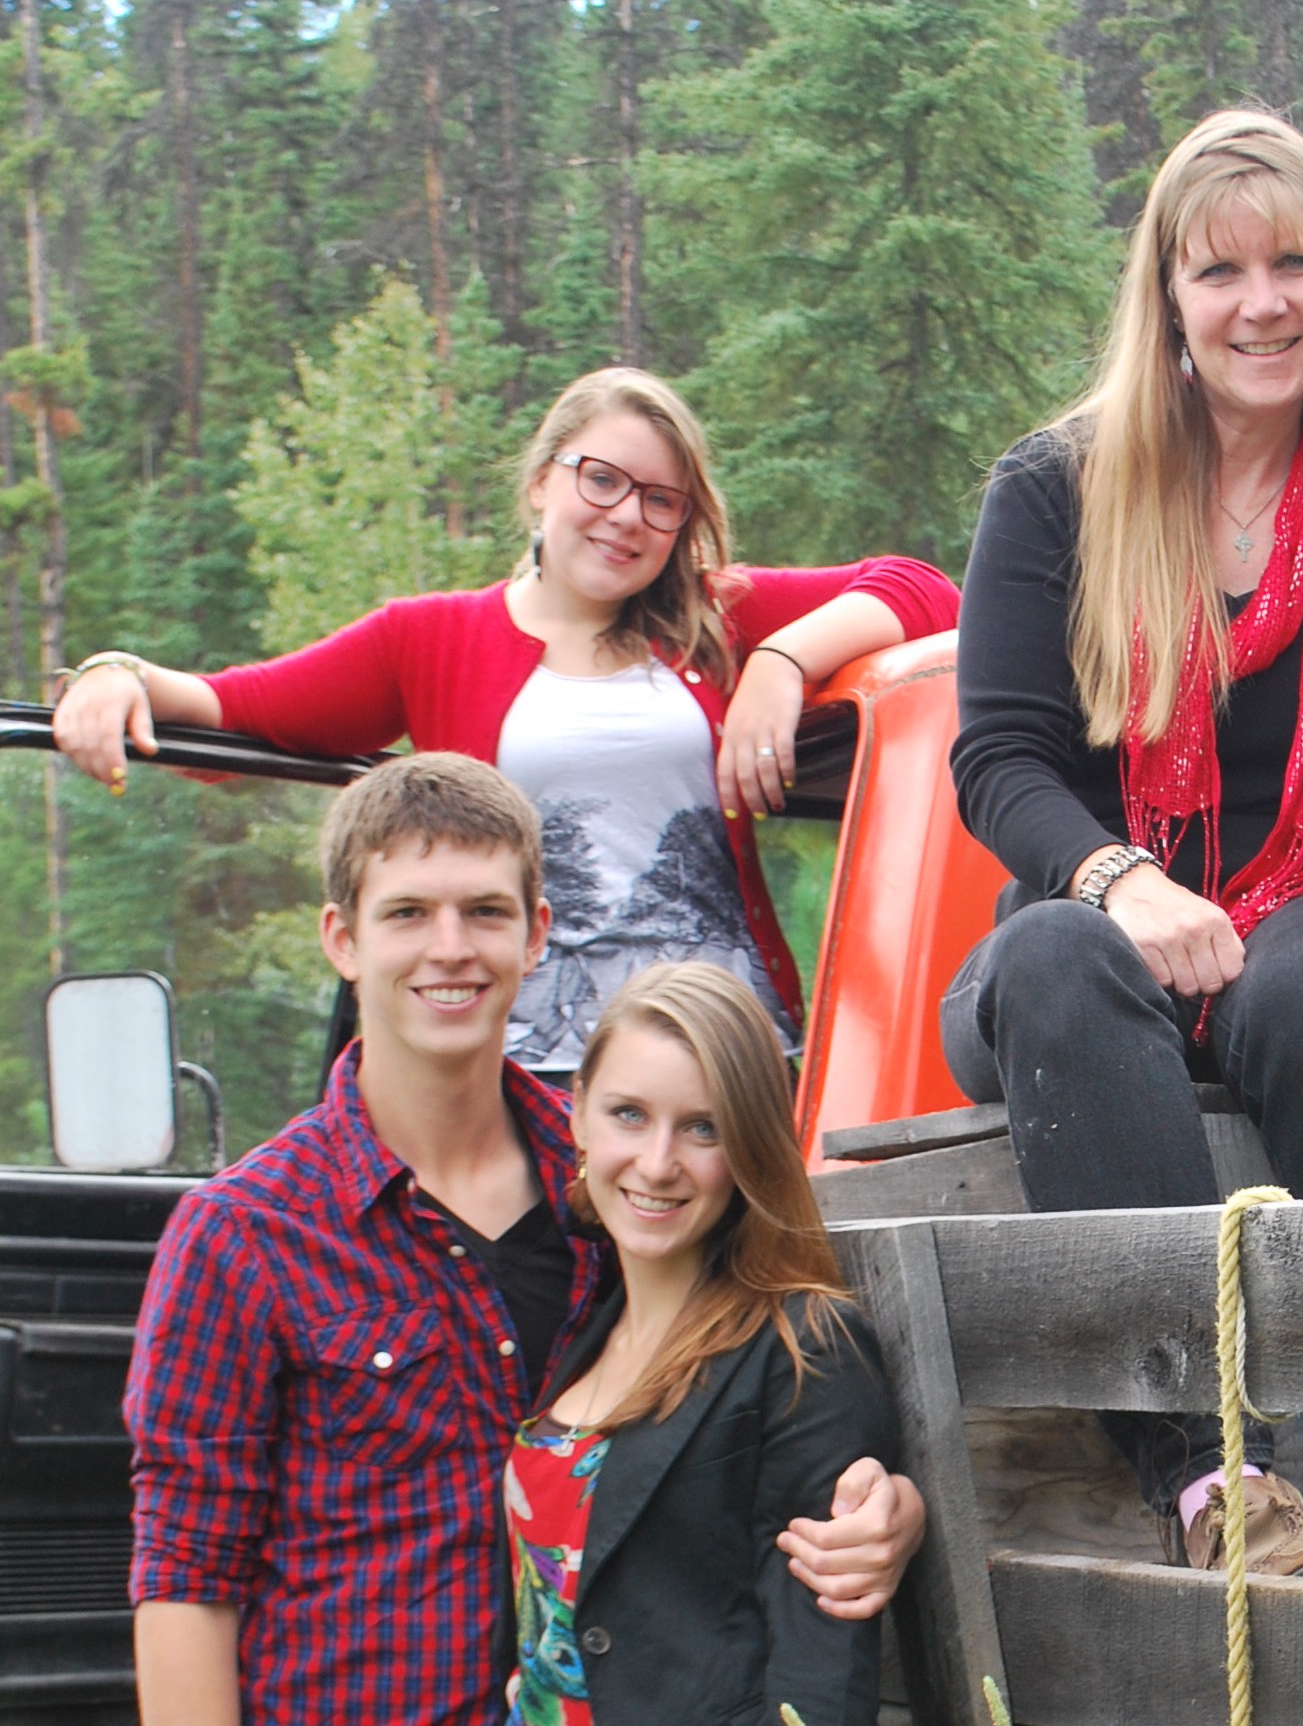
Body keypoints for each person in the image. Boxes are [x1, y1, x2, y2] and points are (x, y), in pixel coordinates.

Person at [944, 109, 1303, 1579]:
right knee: (1057, 957)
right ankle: (1214, 1484)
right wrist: (1117, 879)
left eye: (1291, 264)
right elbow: (998, 758)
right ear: (1169, 298)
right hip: (1081, 950)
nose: (1258, 302)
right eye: (1219, 271)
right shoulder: (1054, 490)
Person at [126, 755, 923, 1726]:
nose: (450, 948)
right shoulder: (243, 1234)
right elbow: (187, 1569)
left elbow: (758, 1404)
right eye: (408, 912)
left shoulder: (612, 1188)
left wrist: (886, 1510)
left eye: (487, 912)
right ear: (342, 938)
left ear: (538, 933)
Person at [52, 365, 959, 1074]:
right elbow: (241, 709)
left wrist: (780, 659)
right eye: (601, 481)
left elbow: (923, 591)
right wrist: (111, 673)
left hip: (720, 1056)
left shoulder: (713, 618)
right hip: (520, 1068)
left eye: (660, 501)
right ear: (541, 481)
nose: (626, 518)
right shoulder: (426, 639)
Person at [507, 961, 896, 1726]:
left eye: (702, 1128)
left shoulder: (805, 1345)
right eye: (628, 1114)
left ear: (749, 1144)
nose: (657, 1164)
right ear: (578, 1112)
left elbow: (821, 1685)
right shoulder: (581, 1320)